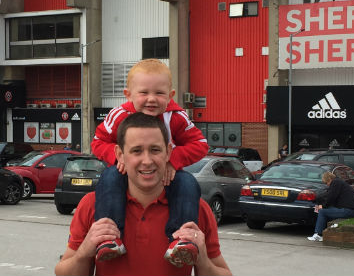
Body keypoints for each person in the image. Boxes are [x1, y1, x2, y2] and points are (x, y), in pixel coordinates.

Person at [55, 113, 231, 276]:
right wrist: (84, 252)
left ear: (168, 152)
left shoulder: (196, 209)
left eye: (155, 150)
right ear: (120, 155)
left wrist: (203, 261)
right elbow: (63, 272)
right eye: (136, 151)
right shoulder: (92, 205)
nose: (147, 161)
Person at [90, 59, 208, 266]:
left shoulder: (177, 116)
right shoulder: (118, 115)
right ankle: (109, 237)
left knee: (188, 183)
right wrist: (120, 158)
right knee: (109, 178)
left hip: (166, 171)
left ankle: (181, 240)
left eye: (159, 93)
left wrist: (173, 161)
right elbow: (98, 141)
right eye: (144, 93)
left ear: (171, 95)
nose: (151, 99)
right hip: (124, 170)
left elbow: (200, 143)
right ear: (128, 95)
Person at [307, 171, 354, 242]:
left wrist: (322, 206)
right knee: (325, 210)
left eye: (326, 183)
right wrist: (316, 200)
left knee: (322, 212)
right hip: (352, 209)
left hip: (351, 210)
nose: (327, 185)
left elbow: (331, 198)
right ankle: (325, 231)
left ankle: (318, 235)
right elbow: (327, 195)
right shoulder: (338, 182)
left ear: (329, 179)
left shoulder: (335, 183)